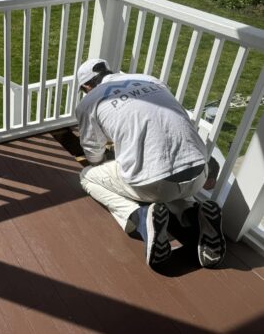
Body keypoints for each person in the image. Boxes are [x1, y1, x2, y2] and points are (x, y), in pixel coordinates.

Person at [75, 58, 226, 268]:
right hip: (199, 171)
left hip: (155, 186)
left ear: (86, 86)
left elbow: (93, 154)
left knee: (88, 177)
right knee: (164, 180)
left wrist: (101, 164)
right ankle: (194, 213)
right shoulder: (150, 80)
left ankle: (141, 217)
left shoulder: (90, 101)